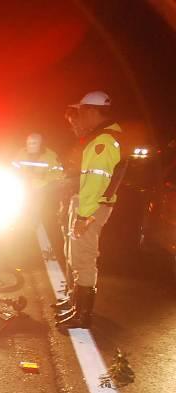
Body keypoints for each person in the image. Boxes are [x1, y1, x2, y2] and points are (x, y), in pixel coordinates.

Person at [57, 91, 124, 329]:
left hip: (91, 208)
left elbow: (96, 182)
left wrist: (84, 215)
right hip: (89, 206)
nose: (79, 116)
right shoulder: (101, 138)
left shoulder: (103, 142)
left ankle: (82, 315)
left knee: (84, 259)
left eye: (82, 111)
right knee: (77, 255)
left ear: (93, 111)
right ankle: (77, 307)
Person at [12, 132, 65, 234]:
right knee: (20, 214)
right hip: (22, 190)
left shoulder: (50, 156)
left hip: (42, 191)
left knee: (37, 216)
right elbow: (13, 168)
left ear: (41, 144)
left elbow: (59, 173)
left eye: (34, 143)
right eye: (29, 143)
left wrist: (43, 177)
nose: (31, 145)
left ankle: (33, 234)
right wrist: (20, 177)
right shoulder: (21, 153)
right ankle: (20, 233)